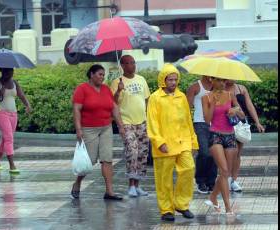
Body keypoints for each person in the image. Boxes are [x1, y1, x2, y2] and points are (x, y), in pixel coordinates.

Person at [147, 64, 199, 222]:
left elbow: (188, 120)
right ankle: (166, 209)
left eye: (176, 79)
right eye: (170, 79)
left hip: (183, 141)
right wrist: (159, 141)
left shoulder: (181, 96)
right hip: (164, 145)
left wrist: (193, 141)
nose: (173, 82)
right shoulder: (155, 98)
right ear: (163, 80)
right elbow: (152, 122)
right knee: (164, 179)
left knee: (189, 168)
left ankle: (181, 204)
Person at [70, 64, 125, 200]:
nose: (102, 77)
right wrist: (78, 129)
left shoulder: (106, 89)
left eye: (103, 74)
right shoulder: (82, 89)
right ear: (91, 74)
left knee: (107, 159)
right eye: (100, 74)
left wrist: (121, 126)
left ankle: (109, 191)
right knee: (90, 160)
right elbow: (76, 109)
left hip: (106, 127)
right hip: (89, 129)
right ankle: (77, 183)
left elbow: (114, 107)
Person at [202, 77, 245, 215]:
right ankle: (228, 208)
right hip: (215, 135)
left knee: (226, 172)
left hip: (230, 135)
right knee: (224, 170)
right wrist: (213, 104)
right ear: (212, 81)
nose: (222, 83)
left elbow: (242, 115)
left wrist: (235, 110)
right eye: (219, 80)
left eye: (224, 81)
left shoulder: (229, 95)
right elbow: (207, 119)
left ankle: (213, 196)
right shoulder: (206, 97)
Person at [110, 55, 150, 198]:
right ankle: (131, 186)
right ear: (122, 65)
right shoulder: (117, 82)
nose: (132, 65)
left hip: (142, 121)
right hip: (126, 122)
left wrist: (148, 118)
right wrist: (119, 90)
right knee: (132, 151)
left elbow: (146, 100)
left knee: (142, 153)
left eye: (133, 62)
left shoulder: (141, 79)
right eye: (128, 63)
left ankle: (138, 185)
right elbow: (113, 103)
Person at [0, 68, 31, 174]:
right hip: (1, 113)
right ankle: (12, 165)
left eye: (12, 71)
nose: (10, 73)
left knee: (5, 139)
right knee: (9, 138)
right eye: (8, 71)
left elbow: (21, 95)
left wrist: (27, 105)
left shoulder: (15, 82)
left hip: (13, 114)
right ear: (2, 71)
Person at [225, 80, 265, 192]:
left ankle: (233, 180)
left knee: (237, 153)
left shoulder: (241, 88)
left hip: (241, 122)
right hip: (227, 122)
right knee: (232, 151)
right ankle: (226, 178)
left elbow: (249, 105)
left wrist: (257, 122)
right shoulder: (220, 88)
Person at [186, 76, 217, 194]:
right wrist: (189, 127)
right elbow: (186, 108)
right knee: (204, 153)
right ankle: (200, 180)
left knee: (214, 154)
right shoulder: (195, 87)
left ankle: (211, 182)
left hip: (215, 123)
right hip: (199, 123)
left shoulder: (217, 86)